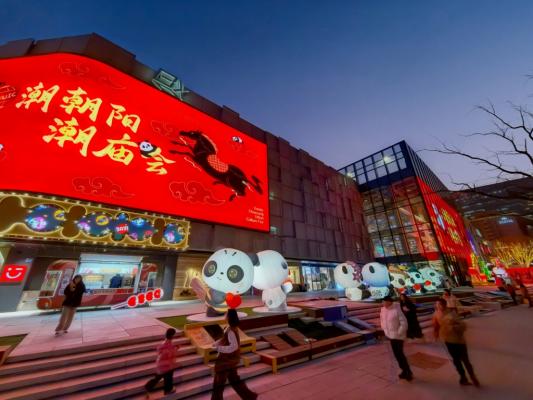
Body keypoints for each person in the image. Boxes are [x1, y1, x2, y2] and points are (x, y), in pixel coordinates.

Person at [211, 309, 258, 400]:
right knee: (235, 381)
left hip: (226, 361)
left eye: (226, 314)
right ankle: (249, 397)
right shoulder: (230, 328)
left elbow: (234, 346)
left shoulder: (231, 330)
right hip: (230, 361)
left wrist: (218, 348)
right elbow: (225, 339)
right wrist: (216, 343)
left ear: (229, 317)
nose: (225, 315)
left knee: (218, 384)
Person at [432, 298, 480, 386]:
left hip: (459, 340)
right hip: (448, 340)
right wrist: (436, 335)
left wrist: (454, 327)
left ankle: (472, 376)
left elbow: (461, 324)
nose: (437, 306)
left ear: (444, 305)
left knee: (465, 360)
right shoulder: (436, 314)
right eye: (436, 304)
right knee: (456, 360)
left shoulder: (451, 312)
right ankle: (463, 378)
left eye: (439, 304)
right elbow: (436, 326)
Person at [380, 296, 413, 381]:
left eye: (384, 301)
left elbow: (404, 323)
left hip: (398, 337)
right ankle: (405, 371)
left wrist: (399, 333)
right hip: (390, 336)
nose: (382, 303)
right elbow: (382, 320)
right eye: (382, 301)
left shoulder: (397, 309)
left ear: (389, 302)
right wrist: (384, 328)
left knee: (400, 355)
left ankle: (407, 372)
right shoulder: (383, 310)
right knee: (397, 355)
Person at [145, 328, 179, 396]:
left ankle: (148, 386)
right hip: (166, 365)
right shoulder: (169, 345)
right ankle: (168, 390)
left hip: (161, 364)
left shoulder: (164, 343)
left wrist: (174, 348)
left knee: (158, 377)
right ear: (172, 335)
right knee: (168, 377)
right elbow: (169, 353)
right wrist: (176, 349)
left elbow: (161, 351)